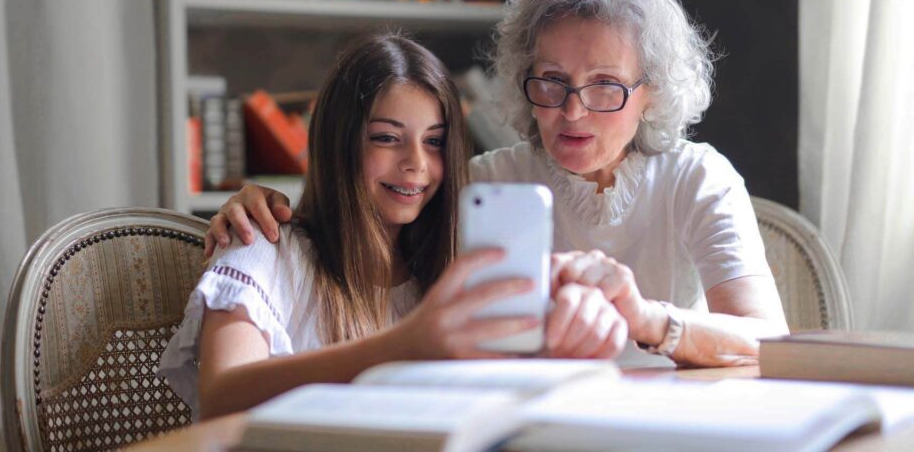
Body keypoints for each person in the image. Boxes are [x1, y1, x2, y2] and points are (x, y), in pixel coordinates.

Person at [205, 0, 790, 368]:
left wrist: (646, 319)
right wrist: (262, 204)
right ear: (521, 77)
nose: (573, 112)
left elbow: (768, 340)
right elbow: (362, 229)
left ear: (653, 92)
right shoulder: (481, 185)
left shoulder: (697, 176)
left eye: (606, 86)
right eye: (552, 82)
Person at [159, 33, 627, 421]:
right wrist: (404, 345)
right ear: (339, 143)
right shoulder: (262, 247)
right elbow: (222, 396)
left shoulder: (447, 269)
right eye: (387, 138)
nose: (416, 165)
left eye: (435, 142)